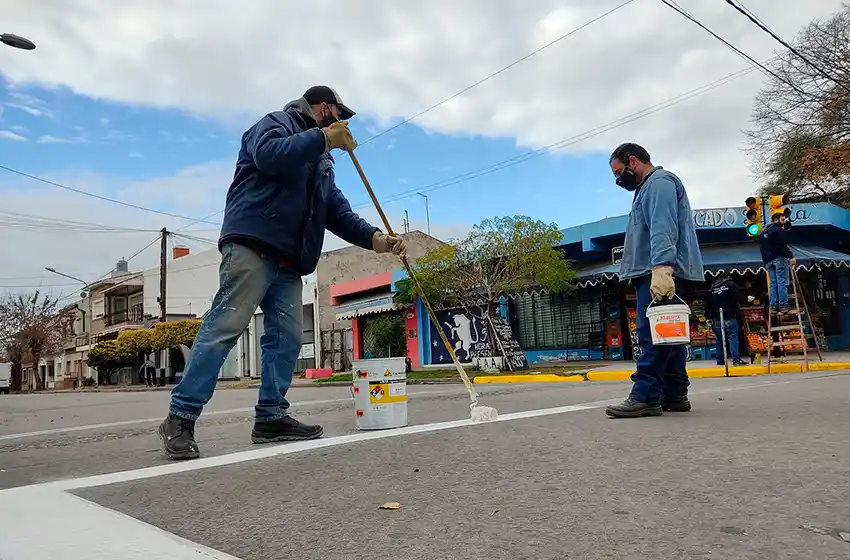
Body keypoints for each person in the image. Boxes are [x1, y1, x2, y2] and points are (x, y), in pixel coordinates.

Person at [158, 85, 407, 460]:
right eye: (340, 116)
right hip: (253, 245)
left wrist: (377, 240)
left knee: (287, 338)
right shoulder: (277, 124)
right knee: (225, 326)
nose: (343, 125)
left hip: (289, 260)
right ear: (324, 110)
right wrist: (322, 139)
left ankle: (271, 417)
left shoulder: (321, 164)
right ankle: (180, 418)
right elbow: (269, 157)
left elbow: (336, 212)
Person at [606, 143, 705, 418]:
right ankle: (674, 393)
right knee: (668, 334)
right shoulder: (648, 188)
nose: (618, 181)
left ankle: (646, 396)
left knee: (652, 334)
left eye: (618, 172)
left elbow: (663, 227)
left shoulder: (658, 184)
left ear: (633, 161)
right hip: (658, 270)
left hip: (659, 271)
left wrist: (662, 268)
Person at [707, 273, 750, 366]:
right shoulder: (731, 285)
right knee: (733, 338)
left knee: (719, 339)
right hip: (729, 317)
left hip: (717, 319)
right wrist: (747, 298)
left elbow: (708, 306)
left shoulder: (713, 288)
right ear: (729, 277)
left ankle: (720, 360)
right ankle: (736, 359)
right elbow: (739, 297)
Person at [759, 211, 795, 314]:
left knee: (773, 283)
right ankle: (783, 305)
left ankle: (773, 307)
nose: (784, 222)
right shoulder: (778, 230)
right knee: (782, 281)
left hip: (767, 261)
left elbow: (761, 248)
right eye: (782, 219)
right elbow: (782, 245)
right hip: (779, 258)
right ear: (776, 220)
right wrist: (790, 256)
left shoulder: (763, 233)